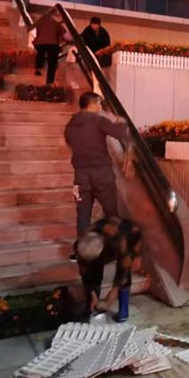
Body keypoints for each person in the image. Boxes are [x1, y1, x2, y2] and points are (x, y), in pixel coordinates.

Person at [64, 92, 129, 258]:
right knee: (111, 213)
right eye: (99, 104)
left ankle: (82, 252)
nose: (100, 108)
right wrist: (120, 121)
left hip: (80, 177)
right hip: (102, 175)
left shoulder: (70, 125)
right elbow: (119, 133)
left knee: (83, 215)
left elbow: (70, 142)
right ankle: (116, 249)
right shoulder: (98, 120)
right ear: (92, 104)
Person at [76, 216, 141, 321]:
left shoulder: (121, 241)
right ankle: (92, 306)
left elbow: (123, 268)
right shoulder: (81, 243)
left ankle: (123, 312)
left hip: (129, 235)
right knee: (93, 272)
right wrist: (92, 294)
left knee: (124, 274)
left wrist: (114, 291)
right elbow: (85, 271)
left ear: (102, 250)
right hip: (104, 242)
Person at [32, 7, 65, 85]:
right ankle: (49, 81)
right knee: (52, 63)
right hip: (53, 45)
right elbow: (65, 35)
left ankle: (38, 68)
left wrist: (35, 42)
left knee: (40, 53)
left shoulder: (39, 22)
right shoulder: (56, 23)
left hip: (40, 44)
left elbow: (33, 30)